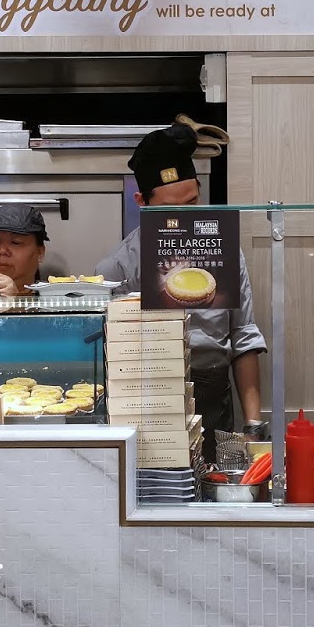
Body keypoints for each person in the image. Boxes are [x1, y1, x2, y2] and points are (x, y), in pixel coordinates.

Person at [95, 125, 268, 449]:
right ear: (142, 202)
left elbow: (243, 337)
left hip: (213, 396)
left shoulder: (222, 252)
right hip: (148, 402)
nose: (184, 217)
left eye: (192, 201)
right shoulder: (118, 267)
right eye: (169, 210)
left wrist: (254, 426)